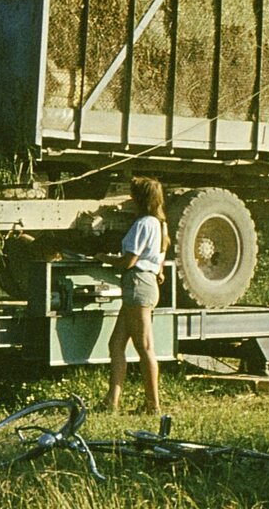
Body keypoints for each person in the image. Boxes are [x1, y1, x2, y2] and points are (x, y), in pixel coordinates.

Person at [95, 176, 169, 413]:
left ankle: (153, 405)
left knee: (144, 347)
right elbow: (160, 257)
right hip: (141, 285)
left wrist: (103, 258)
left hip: (137, 284)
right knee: (116, 344)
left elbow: (129, 261)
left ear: (140, 199)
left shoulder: (143, 224)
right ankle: (111, 401)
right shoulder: (159, 223)